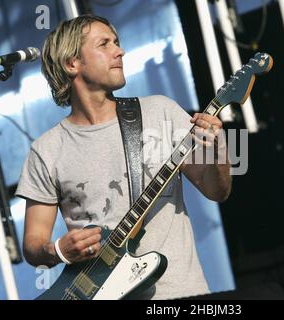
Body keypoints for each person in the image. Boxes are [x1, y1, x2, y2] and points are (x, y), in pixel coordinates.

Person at [16, 14, 231, 300]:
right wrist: (57, 250)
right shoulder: (46, 150)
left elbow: (217, 191)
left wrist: (218, 149)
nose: (120, 51)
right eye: (104, 44)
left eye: (116, 42)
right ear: (72, 63)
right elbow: (33, 245)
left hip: (182, 295)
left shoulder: (160, 112)